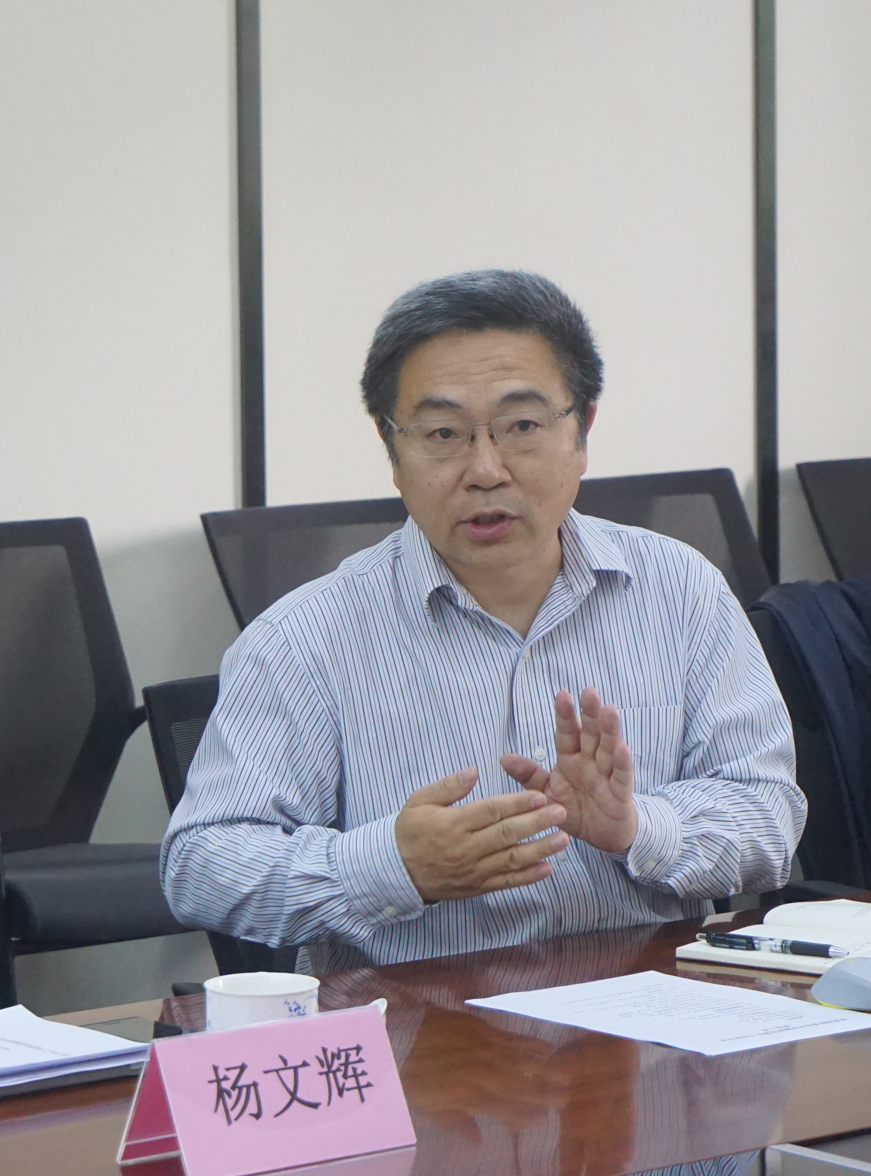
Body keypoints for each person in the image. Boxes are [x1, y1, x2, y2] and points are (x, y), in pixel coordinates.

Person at [161, 270, 804, 969]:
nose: (486, 469)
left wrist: (637, 827)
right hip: (421, 1020)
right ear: (391, 449)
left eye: (522, 426)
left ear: (582, 431)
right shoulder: (303, 640)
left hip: (650, 1011)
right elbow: (202, 864)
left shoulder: (679, 591)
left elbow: (769, 814)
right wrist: (393, 867)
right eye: (443, 433)